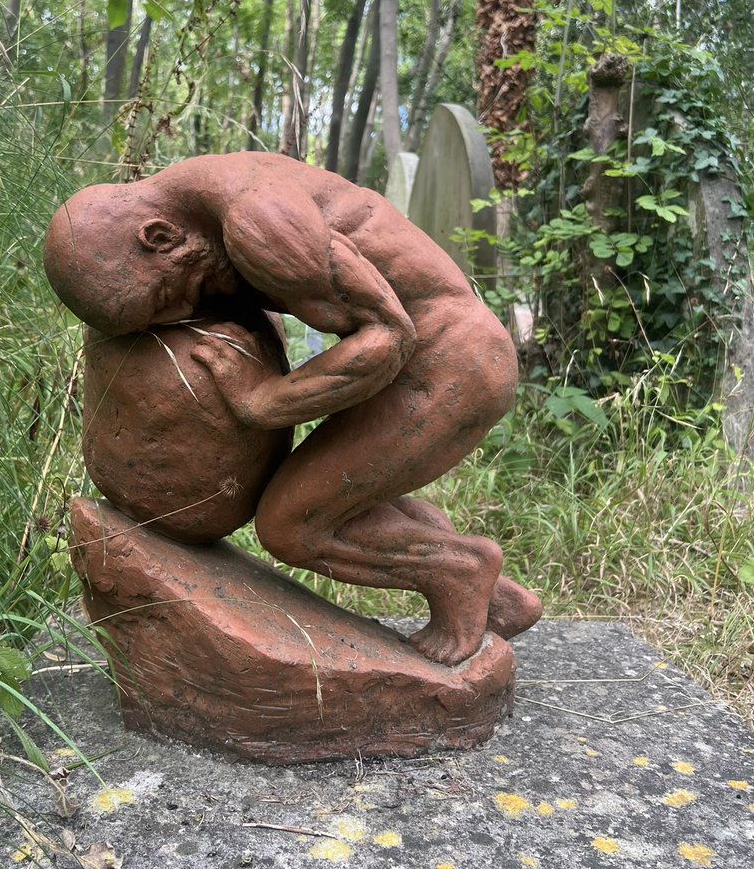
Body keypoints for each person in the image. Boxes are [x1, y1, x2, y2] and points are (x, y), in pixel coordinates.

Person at [44, 152, 541, 665]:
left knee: (294, 524)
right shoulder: (202, 209)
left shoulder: (256, 221)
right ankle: (501, 599)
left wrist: (263, 400)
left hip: (451, 364)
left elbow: (388, 337)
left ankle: (458, 575)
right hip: (434, 355)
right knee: (330, 489)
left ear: (159, 236)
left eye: (167, 295)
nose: (180, 314)